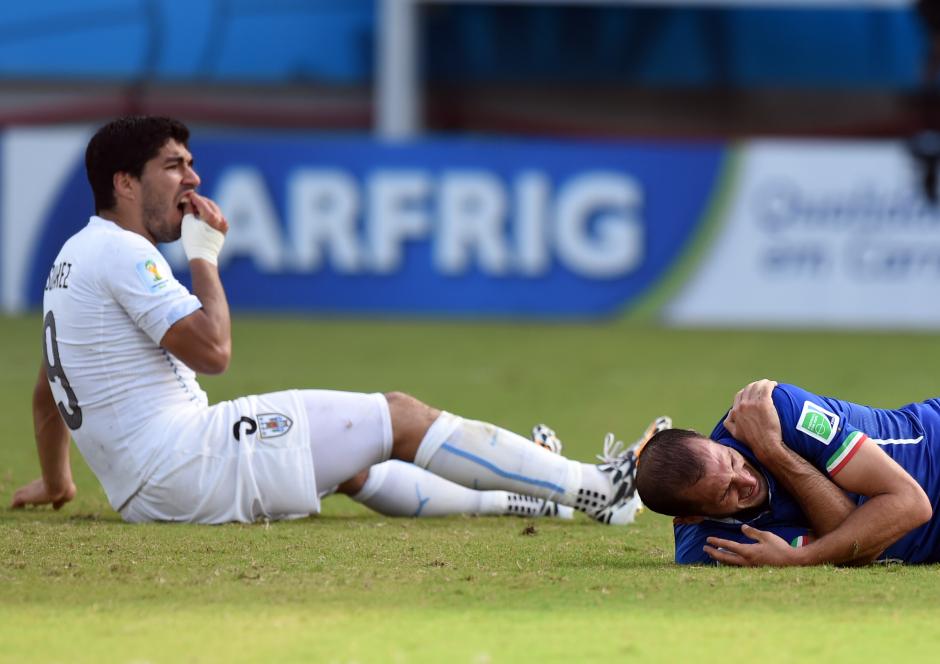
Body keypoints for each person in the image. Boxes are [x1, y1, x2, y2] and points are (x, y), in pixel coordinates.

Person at [12, 115, 641, 526]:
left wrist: (58, 480)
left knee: (350, 462)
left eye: (191, 162)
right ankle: (595, 487)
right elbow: (213, 351)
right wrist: (204, 257)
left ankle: (538, 501)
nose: (194, 177)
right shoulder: (125, 253)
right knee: (398, 415)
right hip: (187, 465)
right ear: (125, 182)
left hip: (152, 487)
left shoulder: (73, 259)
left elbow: (49, 390)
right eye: (174, 164)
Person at [635, 379, 939, 566]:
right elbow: (852, 542)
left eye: (731, 460)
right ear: (692, 517)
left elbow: (912, 503)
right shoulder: (709, 547)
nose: (745, 480)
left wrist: (774, 452)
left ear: (702, 436)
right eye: (726, 492)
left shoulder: (775, 409)